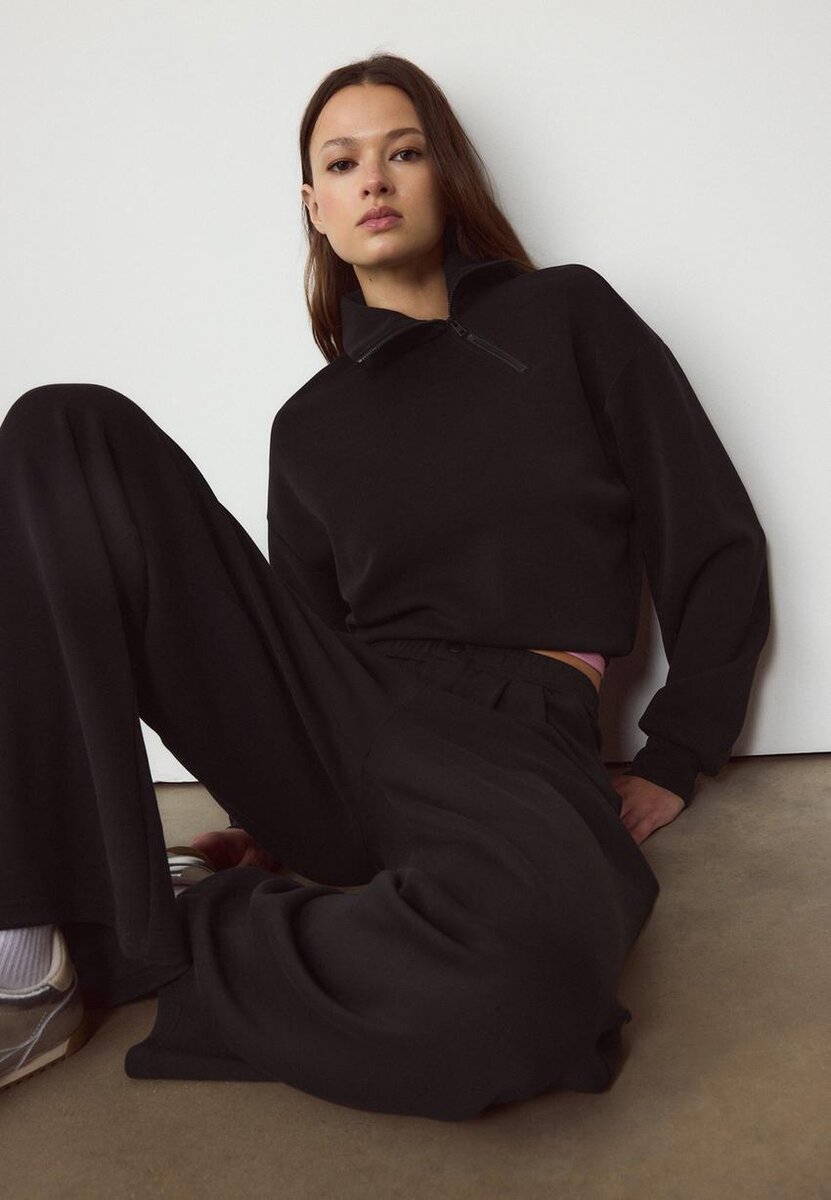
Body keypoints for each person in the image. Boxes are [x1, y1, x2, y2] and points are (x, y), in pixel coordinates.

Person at [0, 53, 770, 1119]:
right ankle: (23, 943)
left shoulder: (566, 317)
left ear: (444, 176)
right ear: (313, 207)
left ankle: (155, 931)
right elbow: (299, 642)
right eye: (342, 162)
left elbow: (709, 527)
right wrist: (273, 804)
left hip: (508, 732)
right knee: (62, 427)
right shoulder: (308, 427)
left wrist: (680, 749)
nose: (373, 178)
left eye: (402, 152)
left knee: (527, 983)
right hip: (349, 710)